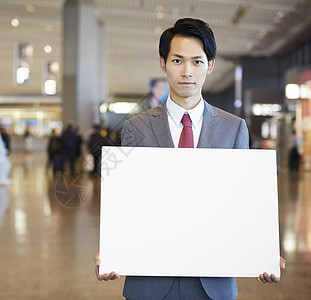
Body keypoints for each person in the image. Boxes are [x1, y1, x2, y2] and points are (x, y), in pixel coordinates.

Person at [95, 18, 285, 299]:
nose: (187, 72)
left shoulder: (234, 128)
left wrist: (261, 254)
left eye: (197, 62)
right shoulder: (136, 127)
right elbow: (128, 201)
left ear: (210, 65)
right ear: (163, 63)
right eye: (177, 61)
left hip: (213, 283)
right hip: (150, 281)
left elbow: (242, 204)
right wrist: (112, 249)